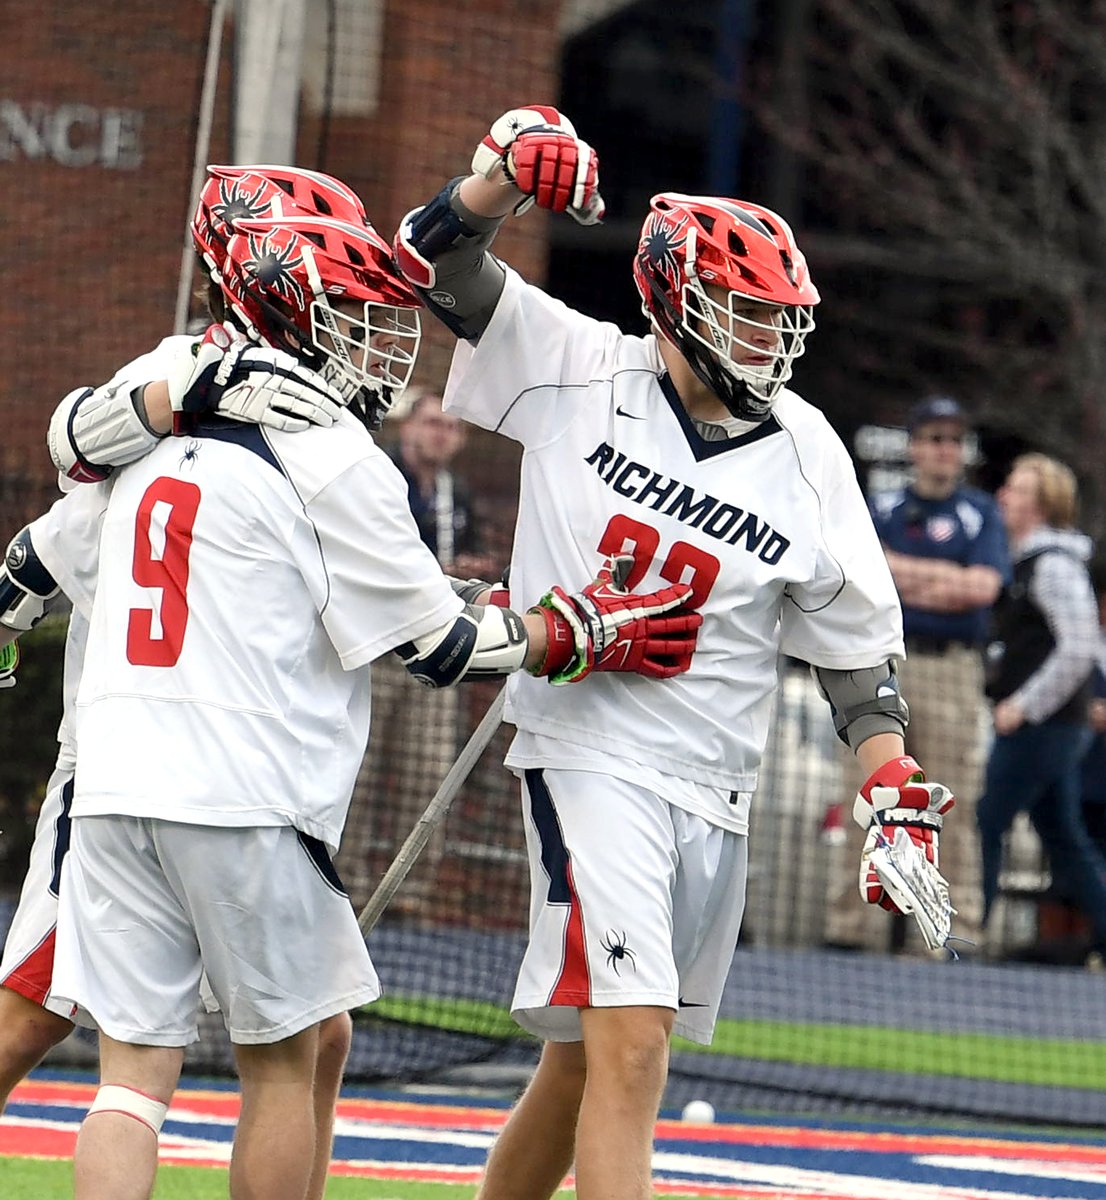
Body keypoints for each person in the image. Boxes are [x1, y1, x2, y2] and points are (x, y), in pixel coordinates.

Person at [1, 205, 698, 1200]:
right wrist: (578, 632)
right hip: (244, 795)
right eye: (354, 312)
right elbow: (440, 650)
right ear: (289, 308)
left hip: (115, 789)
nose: (381, 338)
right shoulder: (333, 454)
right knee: (283, 1067)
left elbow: (38, 548)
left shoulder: (150, 437)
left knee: (131, 1081)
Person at [391, 104, 955, 1200]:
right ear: (671, 300)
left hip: (717, 784)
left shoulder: (807, 447)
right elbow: (432, 265)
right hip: (588, 756)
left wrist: (888, 782)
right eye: (743, 313)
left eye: (777, 318)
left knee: (582, 1063)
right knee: (633, 1042)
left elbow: (851, 650)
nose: (766, 339)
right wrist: (497, 180)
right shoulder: (576, 366)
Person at [0, 166, 367, 1200]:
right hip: (138, 752)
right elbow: (68, 469)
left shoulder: (307, 404)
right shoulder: (179, 371)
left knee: (317, 1036)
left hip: (199, 755)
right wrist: (184, 396)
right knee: (36, 1011)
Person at [824, 395, 1008, 952]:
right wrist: (947, 579)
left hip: (951, 667)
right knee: (868, 794)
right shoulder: (880, 505)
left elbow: (983, 588)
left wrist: (902, 574)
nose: (944, 450)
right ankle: (850, 929)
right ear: (914, 447)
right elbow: (861, 572)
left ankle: (952, 934)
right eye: (933, 438)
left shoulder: (979, 512)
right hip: (884, 663)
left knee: (953, 800)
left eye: (953, 440)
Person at [335, 390, 498, 911]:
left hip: (436, 647)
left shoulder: (457, 494)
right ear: (407, 426)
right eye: (432, 423)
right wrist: (437, 573)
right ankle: (344, 881)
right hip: (377, 650)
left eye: (452, 426)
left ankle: (409, 891)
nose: (441, 434)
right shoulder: (379, 477)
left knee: (427, 773)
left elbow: (472, 555)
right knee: (359, 772)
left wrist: (470, 571)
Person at [976, 453, 1106, 960]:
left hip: (1045, 728)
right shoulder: (1024, 562)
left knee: (987, 821)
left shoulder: (1052, 565)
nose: (1004, 495)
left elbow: (1079, 647)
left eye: (1017, 488)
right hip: (1052, 726)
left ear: (1042, 504)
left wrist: (1023, 706)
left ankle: (965, 932)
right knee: (1063, 835)